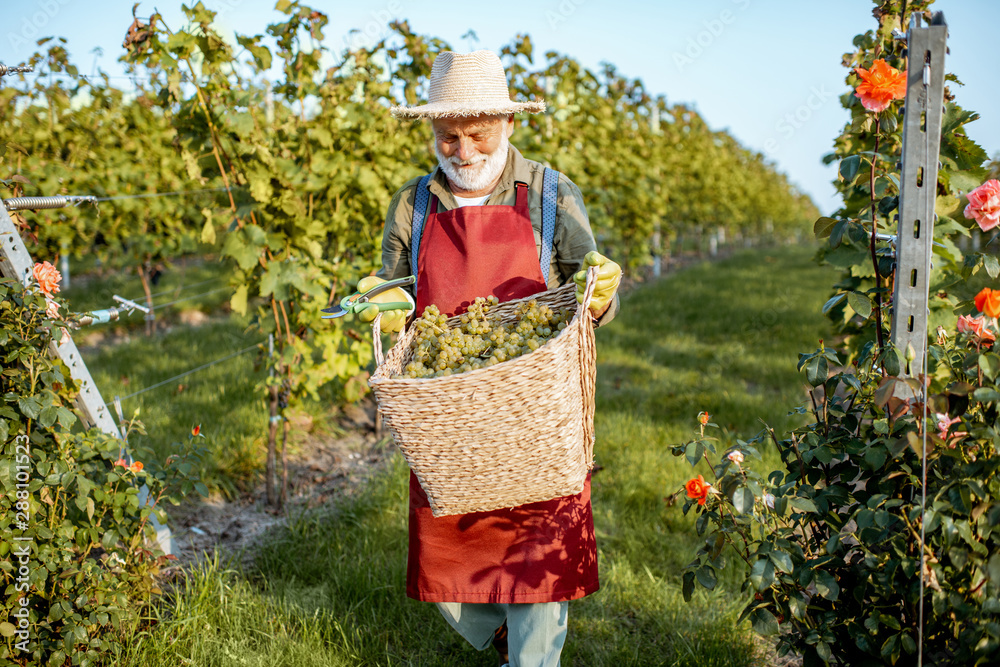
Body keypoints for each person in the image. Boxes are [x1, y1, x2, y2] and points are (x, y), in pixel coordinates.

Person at [356, 50, 622, 667]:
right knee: (448, 545)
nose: (463, 150)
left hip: (533, 406)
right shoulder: (414, 204)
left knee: (537, 548)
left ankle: (531, 656)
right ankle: (498, 633)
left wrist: (602, 294)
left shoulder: (550, 194)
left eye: (477, 135)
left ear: (507, 126)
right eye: (448, 136)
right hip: (446, 410)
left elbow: (588, 285)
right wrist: (380, 299)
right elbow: (397, 284)